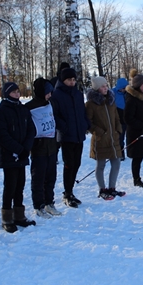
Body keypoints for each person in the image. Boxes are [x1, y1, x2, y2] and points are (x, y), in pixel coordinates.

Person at [0, 82, 36, 233]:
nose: (17, 94)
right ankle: (7, 217)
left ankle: (19, 216)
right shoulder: (2, 111)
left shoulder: (23, 109)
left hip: (22, 154)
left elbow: (31, 129)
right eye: (13, 92)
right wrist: (18, 149)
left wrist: (26, 148)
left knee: (20, 186)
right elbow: (2, 136)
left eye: (18, 91)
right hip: (9, 156)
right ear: (7, 93)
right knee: (10, 186)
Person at [52, 67, 90, 208]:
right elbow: (54, 115)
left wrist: (86, 124)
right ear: (63, 80)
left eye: (74, 80)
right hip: (67, 136)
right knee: (69, 164)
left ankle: (71, 191)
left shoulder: (78, 94)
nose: (72, 82)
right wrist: (63, 127)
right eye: (69, 80)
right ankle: (67, 193)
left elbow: (82, 111)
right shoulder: (57, 95)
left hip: (79, 133)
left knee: (77, 163)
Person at [26, 78, 62, 219]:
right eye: (47, 92)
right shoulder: (29, 107)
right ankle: (38, 205)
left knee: (51, 177)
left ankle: (49, 202)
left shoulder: (50, 104)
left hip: (52, 147)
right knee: (38, 178)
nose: (50, 95)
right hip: (38, 148)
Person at [85, 76, 124, 200]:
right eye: (102, 86)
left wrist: (118, 130)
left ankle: (112, 188)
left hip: (113, 138)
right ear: (96, 88)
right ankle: (102, 189)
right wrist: (99, 132)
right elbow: (88, 122)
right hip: (100, 139)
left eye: (106, 85)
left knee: (116, 162)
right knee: (101, 165)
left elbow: (117, 118)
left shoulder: (111, 101)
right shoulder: (91, 104)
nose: (105, 88)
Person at [112, 76, 129, 160]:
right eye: (121, 88)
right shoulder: (113, 92)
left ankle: (129, 151)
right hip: (118, 117)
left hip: (127, 117)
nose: (123, 90)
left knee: (128, 136)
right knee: (119, 137)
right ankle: (120, 153)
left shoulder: (128, 93)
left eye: (124, 88)